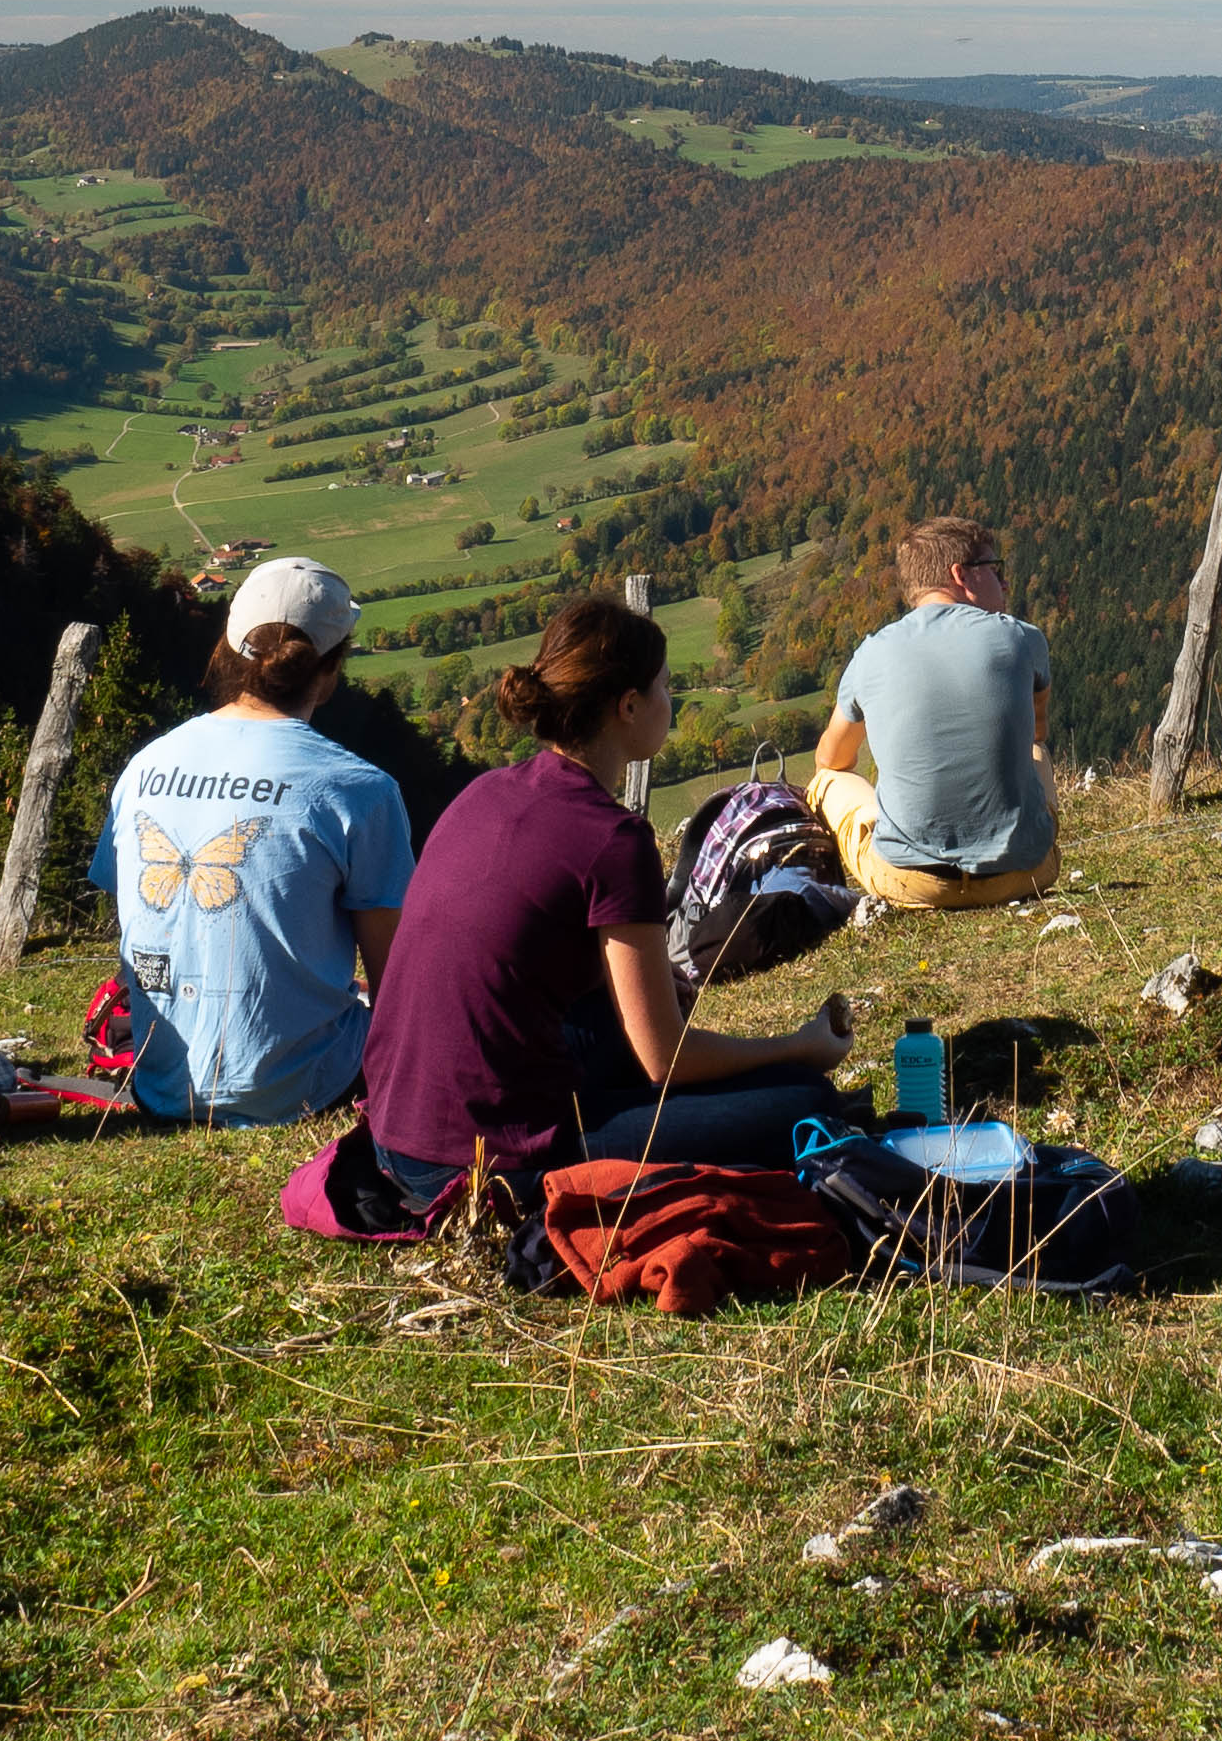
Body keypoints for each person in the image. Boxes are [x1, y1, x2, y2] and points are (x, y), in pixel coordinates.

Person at [360, 593, 859, 1237]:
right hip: (481, 1169)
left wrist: (622, 989)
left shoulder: (484, 791)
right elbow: (664, 1059)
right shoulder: (612, 839)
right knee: (806, 1105)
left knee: (613, 1020)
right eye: (662, 687)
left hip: (394, 1137)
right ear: (627, 707)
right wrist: (798, 1048)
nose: (670, 702)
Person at [85, 556, 414, 1125]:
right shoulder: (361, 790)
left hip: (162, 1084)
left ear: (231, 649)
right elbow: (398, 989)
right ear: (331, 668)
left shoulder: (145, 766)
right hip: (304, 1089)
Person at [809, 518, 1060, 911]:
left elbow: (831, 759)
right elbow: (1038, 732)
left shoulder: (873, 652)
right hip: (1025, 875)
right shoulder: (1023, 638)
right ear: (960, 575)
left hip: (910, 883)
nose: (1004, 582)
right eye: (995, 569)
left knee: (826, 780)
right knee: (1035, 752)